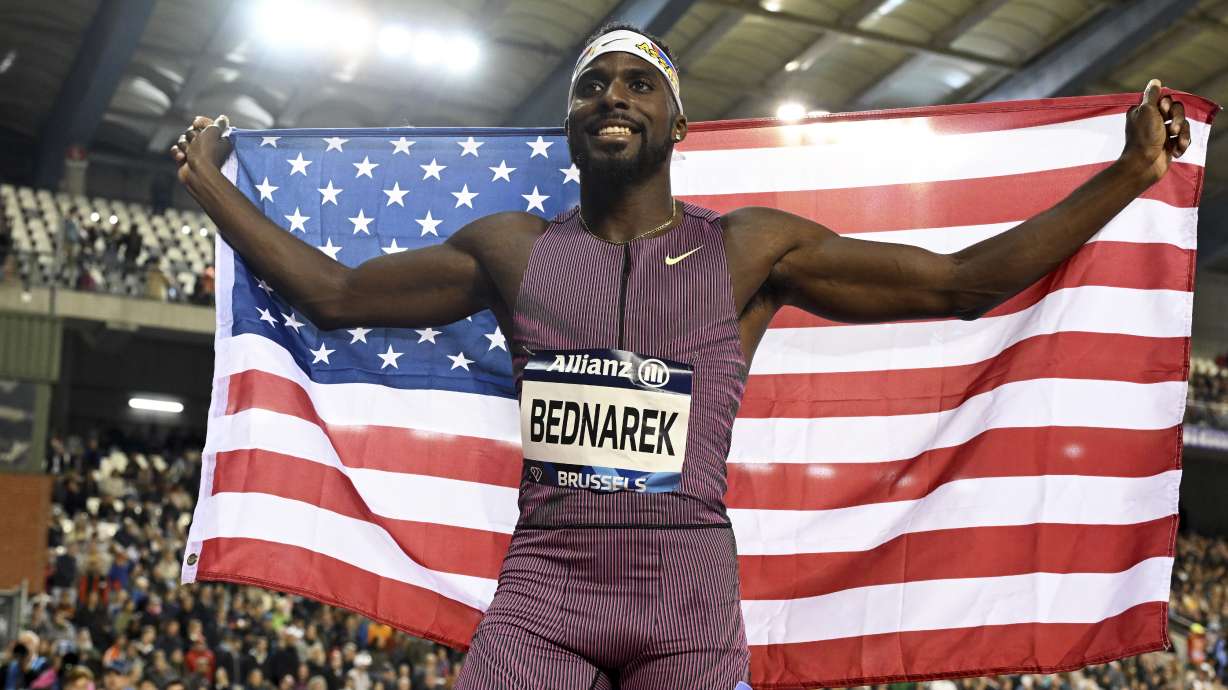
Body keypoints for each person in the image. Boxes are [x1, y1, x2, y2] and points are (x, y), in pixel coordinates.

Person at [171, 21, 1192, 690]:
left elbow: (959, 283)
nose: (610, 97)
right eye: (591, 87)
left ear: (676, 123)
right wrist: (212, 185)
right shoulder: (511, 249)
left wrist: (1125, 174)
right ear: (571, 125)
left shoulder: (748, 249)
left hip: (686, 603)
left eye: (634, 85)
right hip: (545, 598)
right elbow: (338, 295)